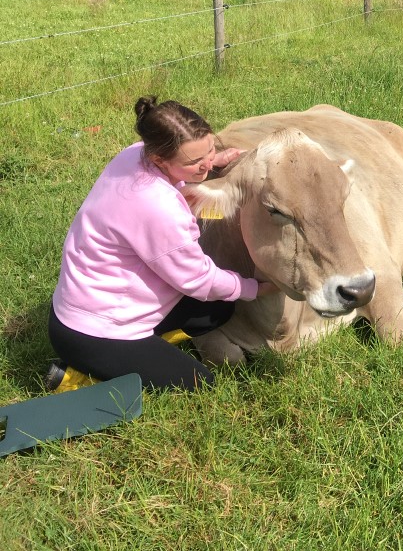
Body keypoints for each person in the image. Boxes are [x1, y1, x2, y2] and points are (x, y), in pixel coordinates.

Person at [47, 96, 275, 392]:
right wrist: (255, 289)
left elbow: (183, 169)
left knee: (219, 309)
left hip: (92, 300)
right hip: (97, 330)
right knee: (198, 384)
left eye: (209, 149)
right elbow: (198, 279)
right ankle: (75, 374)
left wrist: (212, 161)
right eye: (194, 161)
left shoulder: (134, 154)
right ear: (159, 160)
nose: (206, 163)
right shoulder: (159, 207)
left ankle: (139, 354)